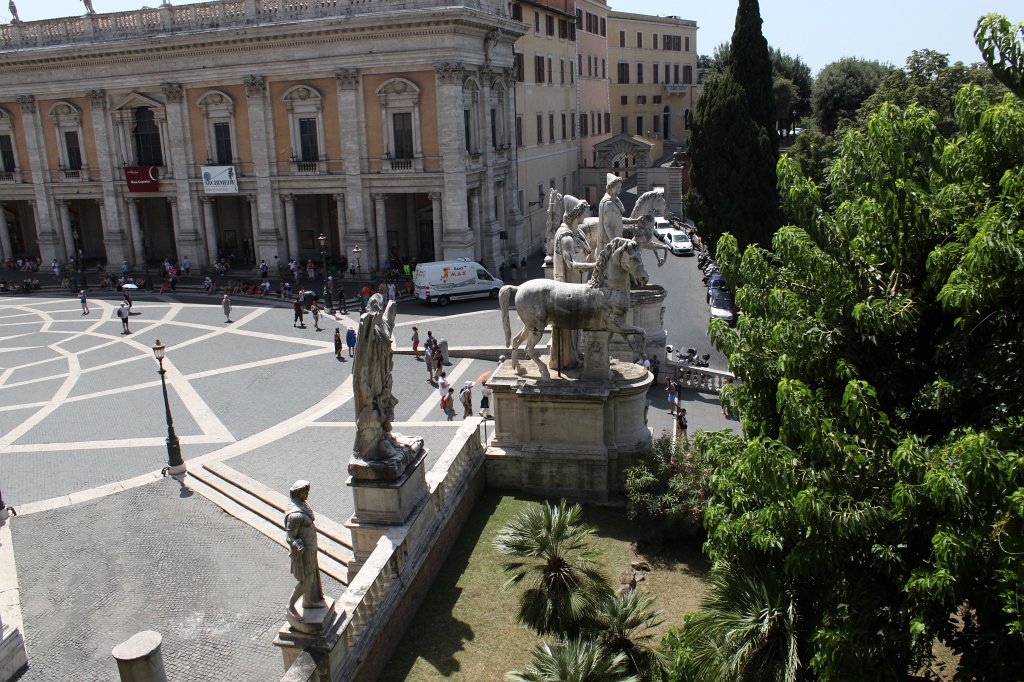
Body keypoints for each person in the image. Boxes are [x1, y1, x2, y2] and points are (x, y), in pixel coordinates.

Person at [284, 480, 327, 619]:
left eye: (307, 491)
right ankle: (290, 606)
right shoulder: (295, 515)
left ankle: (309, 601)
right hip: (305, 553)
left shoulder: (303, 504)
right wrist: (296, 543)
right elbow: (289, 536)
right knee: (306, 580)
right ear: (297, 493)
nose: (307, 494)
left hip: (311, 548)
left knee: (312, 576)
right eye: (304, 492)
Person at [597, 173, 640, 257]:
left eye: (620, 186)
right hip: (611, 242)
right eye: (617, 187)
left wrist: (635, 220)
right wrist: (615, 242)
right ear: (610, 187)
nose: (620, 189)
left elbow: (618, 218)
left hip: (618, 237)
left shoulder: (615, 200)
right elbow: (607, 226)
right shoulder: (608, 203)